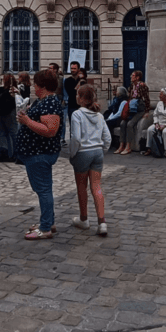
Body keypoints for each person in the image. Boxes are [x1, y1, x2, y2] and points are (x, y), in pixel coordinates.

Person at [16, 69, 63, 240]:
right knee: (45, 189)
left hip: (40, 152)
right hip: (38, 152)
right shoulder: (45, 101)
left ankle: (45, 228)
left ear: (42, 86)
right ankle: (48, 221)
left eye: (36, 84)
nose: (34, 87)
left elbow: (50, 130)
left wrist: (27, 121)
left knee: (43, 190)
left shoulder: (50, 103)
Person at [68, 84, 109, 236]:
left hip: (83, 152)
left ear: (81, 99)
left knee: (81, 187)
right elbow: (107, 138)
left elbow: (76, 138)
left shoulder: (77, 115)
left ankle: (84, 219)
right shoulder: (99, 115)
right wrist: (102, 150)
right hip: (97, 152)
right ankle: (102, 222)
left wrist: (72, 154)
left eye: (78, 95)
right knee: (96, 187)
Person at [117, 70, 150, 155]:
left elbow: (146, 99)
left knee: (130, 124)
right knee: (122, 123)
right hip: (132, 109)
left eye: (133, 75)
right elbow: (130, 97)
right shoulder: (131, 86)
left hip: (139, 109)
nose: (131, 77)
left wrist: (147, 111)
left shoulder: (142, 86)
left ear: (137, 77)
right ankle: (121, 145)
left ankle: (128, 146)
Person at [146, 88, 166, 158]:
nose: (159, 96)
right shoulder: (159, 103)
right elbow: (155, 114)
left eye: (160, 94)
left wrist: (165, 125)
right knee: (150, 129)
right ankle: (149, 148)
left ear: (165, 96)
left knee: (165, 131)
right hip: (159, 123)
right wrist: (156, 123)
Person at [0, 73, 18, 159]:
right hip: (6, 112)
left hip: (8, 113)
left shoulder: (11, 90)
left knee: (11, 132)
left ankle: (14, 153)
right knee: (1, 132)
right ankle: (6, 152)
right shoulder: (8, 89)